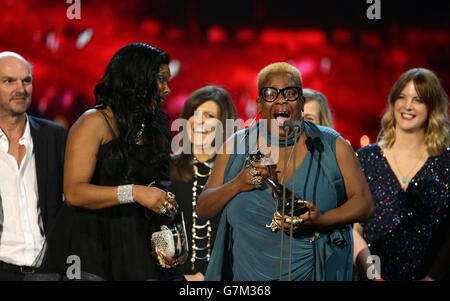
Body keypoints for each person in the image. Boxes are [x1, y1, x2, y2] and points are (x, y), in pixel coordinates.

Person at [197, 62, 374, 281]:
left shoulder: (331, 145)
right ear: (259, 104)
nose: (281, 100)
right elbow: (203, 207)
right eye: (271, 94)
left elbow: (365, 204)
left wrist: (322, 219)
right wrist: (238, 184)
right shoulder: (236, 145)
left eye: (290, 93)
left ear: (301, 102)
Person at [32, 43, 185, 281]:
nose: (167, 89)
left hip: (135, 241)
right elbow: (74, 193)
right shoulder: (94, 122)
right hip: (91, 244)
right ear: (137, 79)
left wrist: (163, 224)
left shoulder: (151, 127)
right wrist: (133, 192)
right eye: (160, 80)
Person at [355, 68, 450, 281]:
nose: (408, 106)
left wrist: (432, 278)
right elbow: (353, 228)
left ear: (432, 107)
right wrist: (374, 277)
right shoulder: (366, 158)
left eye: (418, 100)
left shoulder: (446, 163)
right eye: (402, 97)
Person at [0, 52, 66, 281]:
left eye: (26, 81)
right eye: (9, 81)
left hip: (50, 270)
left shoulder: (54, 136)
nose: (21, 89)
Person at [169, 85, 238, 281]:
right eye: (193, 113)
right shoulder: (166, 169)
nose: (198, 121)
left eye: (209, 115)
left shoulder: (235, 173)